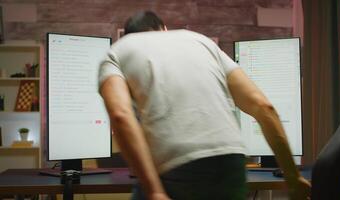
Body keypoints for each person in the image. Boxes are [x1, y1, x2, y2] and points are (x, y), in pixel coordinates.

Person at [98, 11, 311, 200]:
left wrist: (154, 192)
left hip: (177, 164)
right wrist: (292, 178)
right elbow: (263, 106)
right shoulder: (200, 41)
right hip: (231, 161)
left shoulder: (118, 51)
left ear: (126, 35)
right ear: (164, 29)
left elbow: (120, 115)